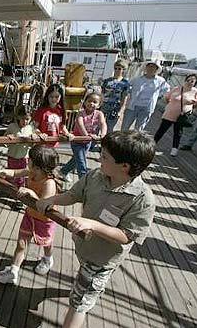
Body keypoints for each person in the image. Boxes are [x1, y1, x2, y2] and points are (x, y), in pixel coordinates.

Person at [36, 130, 156, 328]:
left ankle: (88, 292)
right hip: (85, 248)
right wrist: (52, 199)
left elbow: (126, 236)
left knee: (79, 304)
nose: (99, 157)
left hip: (102, 260)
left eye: (105, 156)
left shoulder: (142, 199)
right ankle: (87, 287)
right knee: (82, 283)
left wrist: (91, 224)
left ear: (124, 166)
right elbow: (74, 194)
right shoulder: (96, 176)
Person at [0, 145, 61, 281]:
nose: (27, 160)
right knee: (21, 243)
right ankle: (13, 271)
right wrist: (1, 172)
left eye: (30, 159)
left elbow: (43, 205)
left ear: (38, 167)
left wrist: (31, 192)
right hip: (30, 215)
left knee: (46, 243)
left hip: (44, 220)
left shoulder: (48, 183)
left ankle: (47, 259)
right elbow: (15, 173)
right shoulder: (31, 172)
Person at [60, 92, 107, 179]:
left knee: (76, 159)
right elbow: (80, 125)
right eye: (89, 101)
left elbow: (103, 124)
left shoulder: (99, 114)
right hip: (77, 140)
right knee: (81, 162)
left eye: (95, 102)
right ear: (85, 102)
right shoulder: (81, 113)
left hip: (88, 142)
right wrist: (87, 136)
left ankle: (63, 172)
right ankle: (83, 180)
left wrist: (103, 134)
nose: (91, 103)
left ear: (99, 104)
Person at [154, 73, 197, 156]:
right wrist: (173, 105)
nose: (189, 82)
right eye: (188, 80)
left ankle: (174, 150)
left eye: (192, 81)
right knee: (161, 130)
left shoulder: (196, 92)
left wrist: (191, 106)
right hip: (170, 113)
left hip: (182, 116)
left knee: (178, 133)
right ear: (185, 80)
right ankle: (152, 145)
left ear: (195, 83)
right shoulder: (176, 88)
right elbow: (167, 98)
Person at [121, 61, 170, 131]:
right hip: (132, 106)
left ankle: (134, 141)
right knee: (125, 126)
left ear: (156, 69)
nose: (151, 68)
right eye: (149, 66)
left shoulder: (161, 81)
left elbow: (167, 90)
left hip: (147, 108)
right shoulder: (137, 79)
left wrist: (158, 96)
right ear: (146, 67)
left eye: (153, 67)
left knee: (139, 128)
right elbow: (127, 87)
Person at [4, 104, 37, 188]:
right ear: (18, 117)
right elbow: (4, 141)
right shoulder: (12, 126)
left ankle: (18, 191)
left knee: (21, 177)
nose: (25, 121)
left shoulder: (30, 128)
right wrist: (8, 138)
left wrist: (33, 138)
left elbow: (31, 144)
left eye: (27, 119)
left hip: (24, 157)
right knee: (10, 174)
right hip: (12, 156)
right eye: (23, 119)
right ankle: (8, 188)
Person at [34, 83, 74, 148]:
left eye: (57, 97)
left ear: (61, 97)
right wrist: (40, 134)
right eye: (51, 96)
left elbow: (63, 126)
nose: (54, 99)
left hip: (55, 143)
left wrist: (67, 134)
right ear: (47, 96)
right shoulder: (41, 111)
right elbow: (34, 127)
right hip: (42, 143)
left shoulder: (62, 110)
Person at [101, 59, 131, 132]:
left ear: (123, 70)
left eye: (119, 68)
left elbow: (124, 98)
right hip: (104, 106)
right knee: (98, 125)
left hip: (115, 108)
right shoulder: (107, 81)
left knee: (110, 128)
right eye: (116, 68)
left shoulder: (125, 83)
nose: (117, 70)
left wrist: (121, 111)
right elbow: (102, 94)